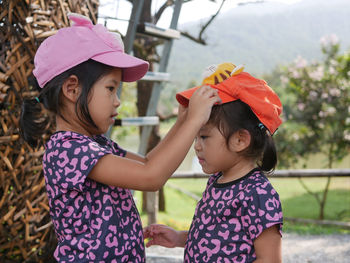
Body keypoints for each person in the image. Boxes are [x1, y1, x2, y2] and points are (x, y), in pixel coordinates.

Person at [19, 13, 221, 262]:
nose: (117, 101)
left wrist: (181, 122)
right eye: (110, 88)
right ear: (72, 89)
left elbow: (148, 163)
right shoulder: (68, 150)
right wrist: (194, 121)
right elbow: (151, 177)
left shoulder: (96, 144)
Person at [144, 62, 284, 263]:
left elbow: (270, 259)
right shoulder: (217, 181)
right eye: (196, 138)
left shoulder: (258, 194)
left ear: (240, 140)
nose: (197, 146)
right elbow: (213, 238)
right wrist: (178, 238)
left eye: (204, 137)